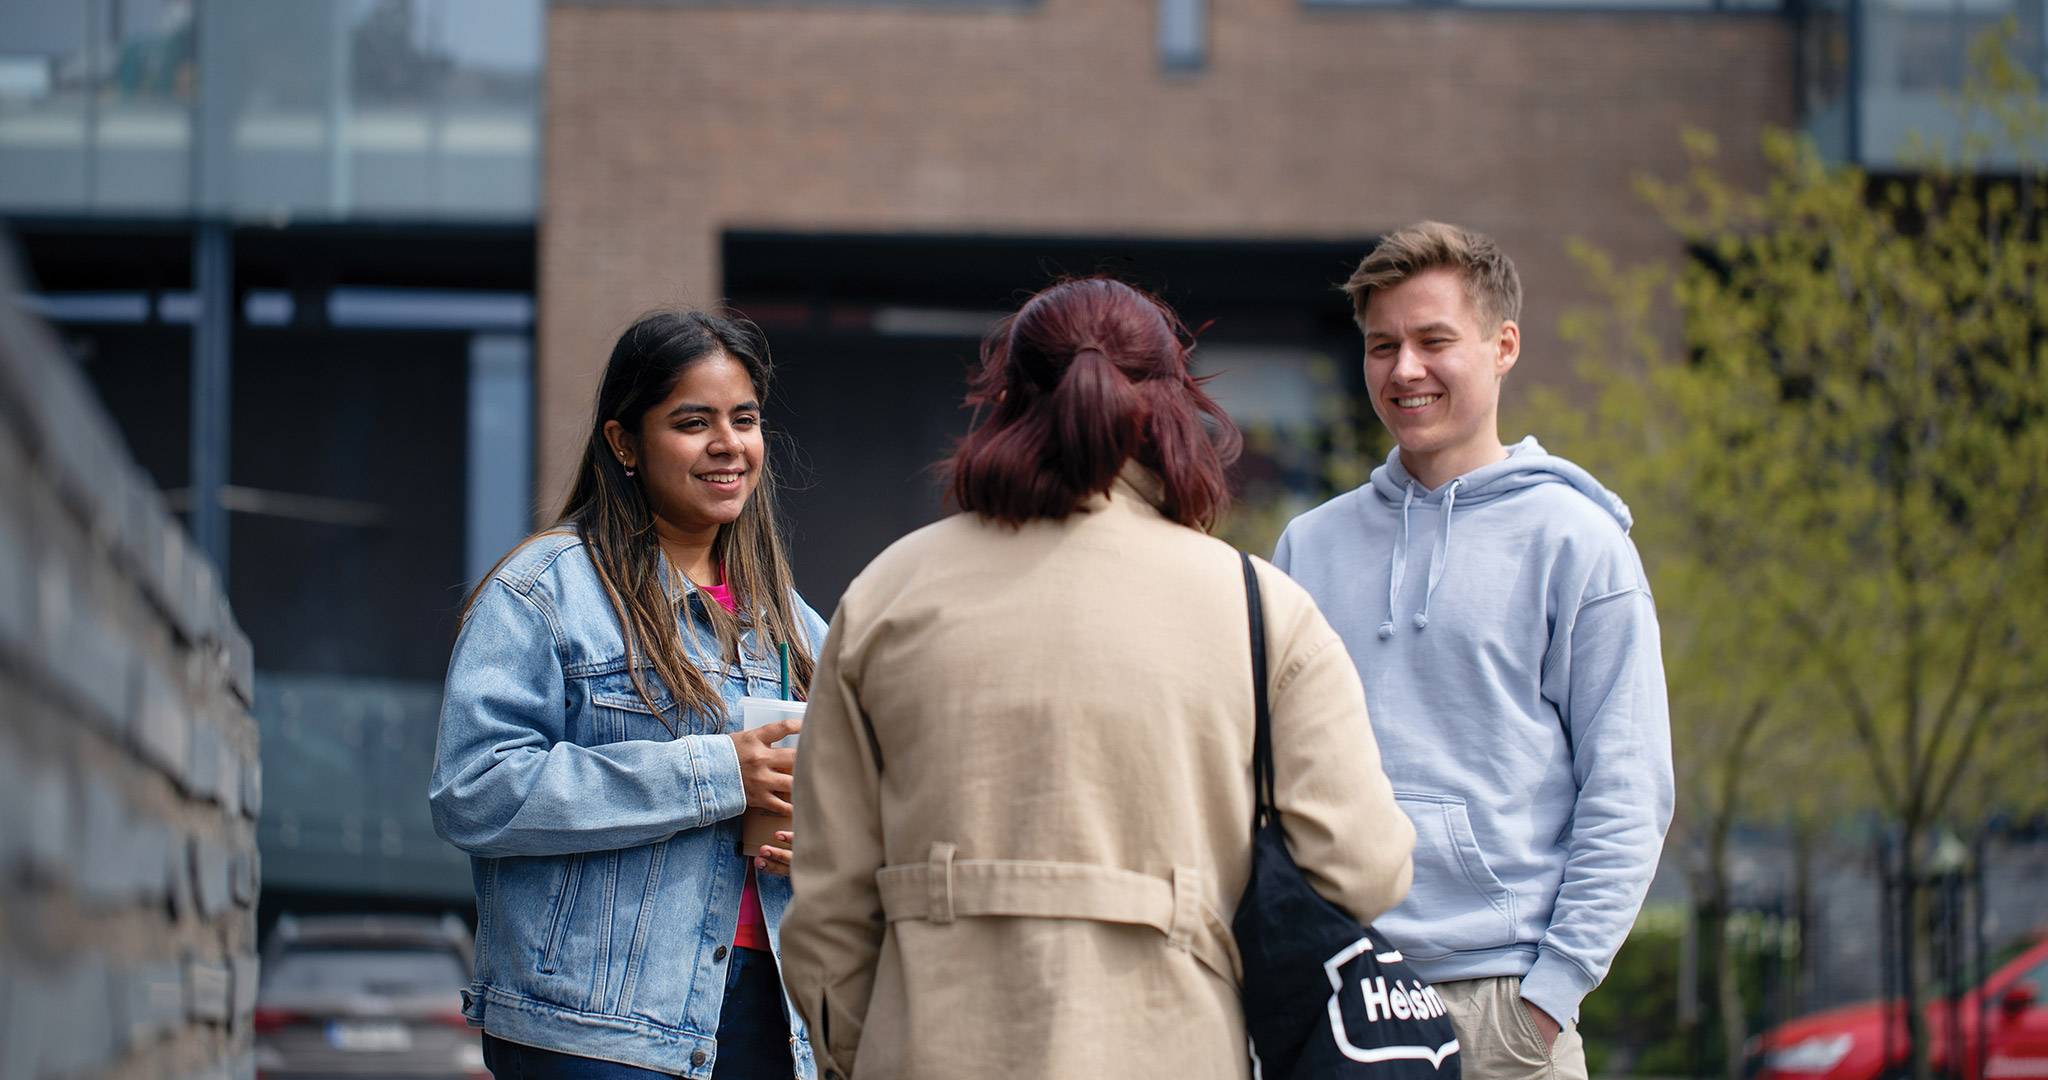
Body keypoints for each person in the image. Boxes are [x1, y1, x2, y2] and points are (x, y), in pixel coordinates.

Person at [778, 277, 1416, 1080]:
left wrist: (871, 1050)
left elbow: (827, 915)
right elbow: (1364, 867)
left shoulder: (885, 595)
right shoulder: (1261, 608)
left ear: (1006, 402)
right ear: (1177, 408)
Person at [1272, 221, 1675, 1080]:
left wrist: (1549, 998)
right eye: (1383, 346)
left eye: (1432, 341)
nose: (1404, 369)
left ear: (1503, 346)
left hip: (1506, 1006)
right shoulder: (1309, 547)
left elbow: (1630, 788)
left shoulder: (1578, 543)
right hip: (1343, 992)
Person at [429, 309, 827, 1079]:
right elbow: (474, 791)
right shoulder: (544, 593)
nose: (728, 445)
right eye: (692, 421)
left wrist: (820, 844)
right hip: (594, 1030)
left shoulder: (793, 622)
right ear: (624, 443)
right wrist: (716, 773)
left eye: (744, 420)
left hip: (774, 1019)